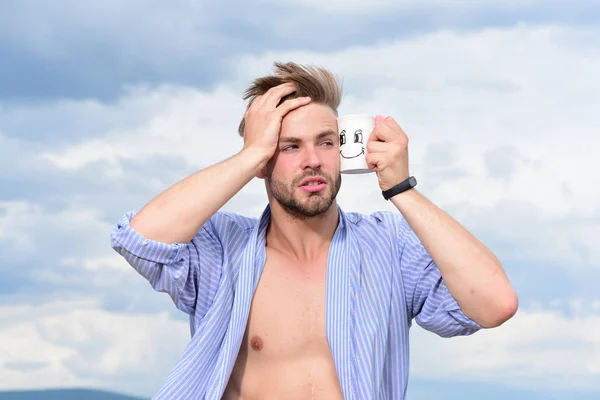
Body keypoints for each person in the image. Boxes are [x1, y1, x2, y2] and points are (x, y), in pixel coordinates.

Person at [110, 62, 518, 400]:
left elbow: (495, 304)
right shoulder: (222, 249)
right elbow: (141, 239)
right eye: (290, 146)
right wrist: (250, 153)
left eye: (326, 143)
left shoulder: (388, 246)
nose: (312, 161)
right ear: (264, 161)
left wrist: (401, 189)